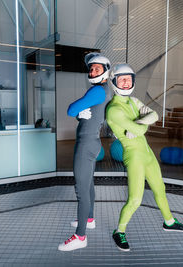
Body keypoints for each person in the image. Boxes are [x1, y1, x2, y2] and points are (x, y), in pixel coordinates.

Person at [106, 63, 183, 252]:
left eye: (129, 79)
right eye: (122, 79)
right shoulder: (113, 109)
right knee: (135, 199)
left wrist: (139, 123)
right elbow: (140, 129)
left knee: (160, 189)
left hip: (147, 153)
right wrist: (142, 124)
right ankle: (119, 231)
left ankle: (169, 222)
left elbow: (155, 114)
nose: (126, 83)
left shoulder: (133, 101)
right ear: (114, 82)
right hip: (134, 156)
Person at [58, 53, 112, 251]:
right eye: (90, 69)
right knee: (88, 184)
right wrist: (82, 116)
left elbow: (71, 110)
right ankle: (89, 219)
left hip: (86, 144)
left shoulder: (97, 91)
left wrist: (78, 113)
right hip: (91, 141)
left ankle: (81, 236)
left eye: (96, 68)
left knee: (81, 191)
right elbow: (86, 114)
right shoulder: (103, 90)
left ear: (106, 71)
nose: (92, 71)